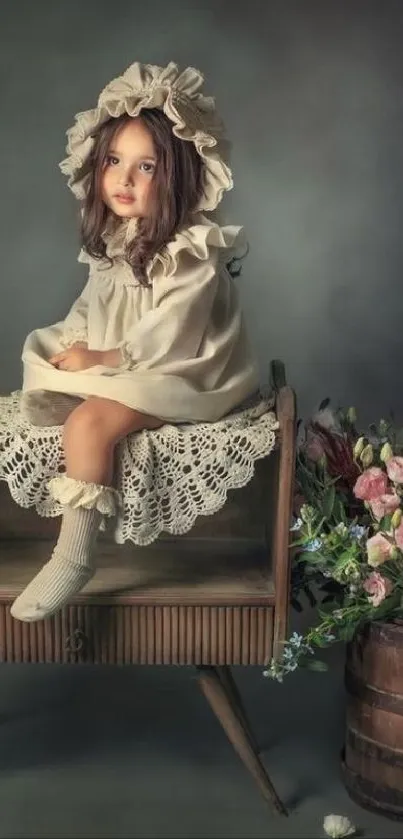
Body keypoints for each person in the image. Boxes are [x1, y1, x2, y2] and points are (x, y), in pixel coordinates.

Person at [10, 61, 260, 623]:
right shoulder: (120, 241)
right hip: (128, 360)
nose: (124, 180)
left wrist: (102, 359)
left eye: (145, 166)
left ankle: (73, 557)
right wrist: (77, 342)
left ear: (180, 176)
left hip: (182, 368)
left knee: (88, 423)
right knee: (44, 361)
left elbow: (172, 332)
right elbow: (94, 307)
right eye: (114, 162)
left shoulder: (191, 252)